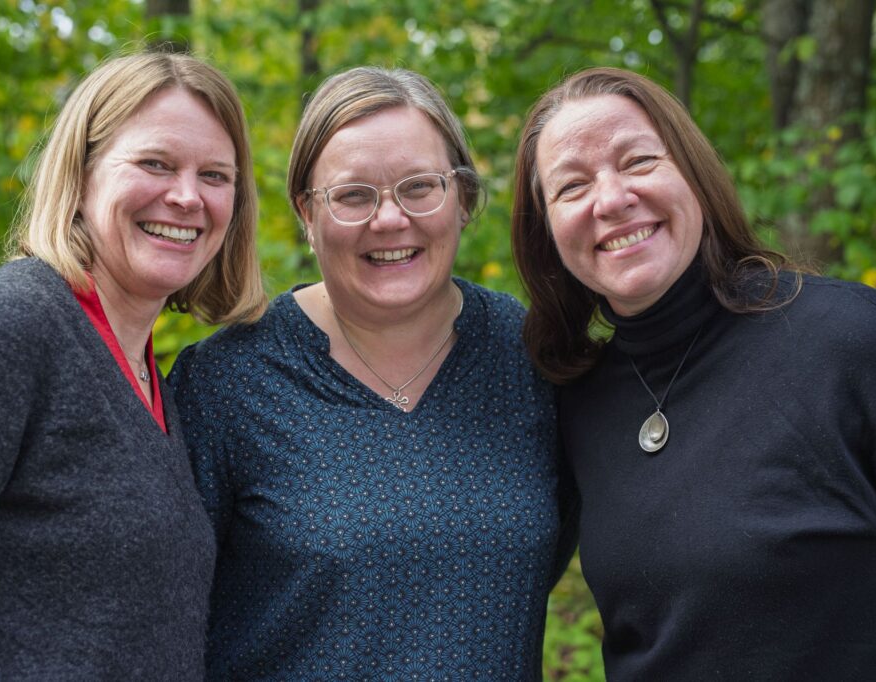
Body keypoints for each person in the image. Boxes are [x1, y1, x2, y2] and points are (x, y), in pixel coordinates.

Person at [170, 66, 575, 680]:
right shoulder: (225, 385)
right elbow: (159, 620)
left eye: (419, 187)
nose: (389, 220)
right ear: (307, 213)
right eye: (354, 195)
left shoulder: (532, 359)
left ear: (462, 198)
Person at [512, 65, 876, 680]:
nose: (612, 200)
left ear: (693, 173)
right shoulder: (577, 400)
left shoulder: (851, 341)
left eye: (639, 161)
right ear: (547, 232)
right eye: (571, 186)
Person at [0, 52, 265, 679]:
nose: (187, 196)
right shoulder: (14, 326)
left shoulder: (150, 380)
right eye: (155, 163)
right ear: (81, 176)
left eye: (216, 176)